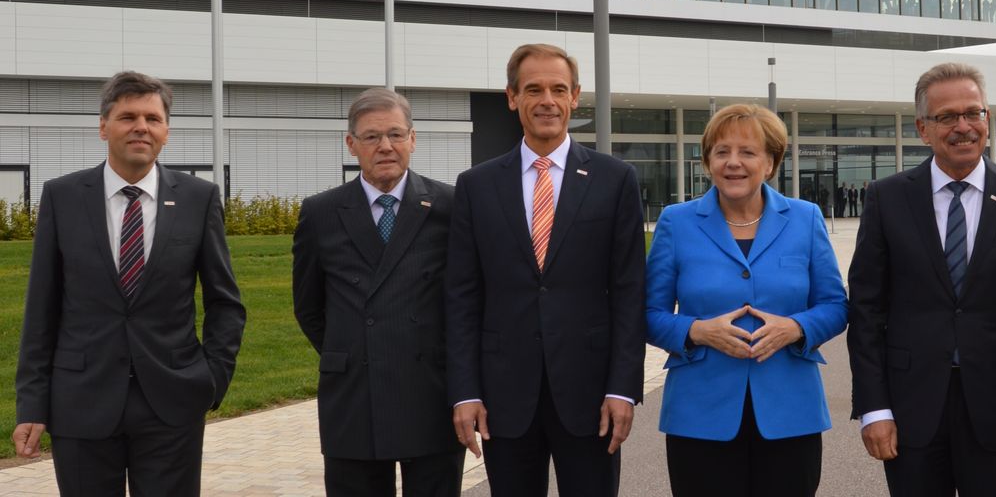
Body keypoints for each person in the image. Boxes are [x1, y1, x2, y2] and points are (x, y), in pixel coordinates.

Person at [13, 71, 246, 496]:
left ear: (166, 132)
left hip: (172, 403)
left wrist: (212, 381)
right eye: (128, 117)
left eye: (153, 118)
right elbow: (40, 310)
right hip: (82, 401)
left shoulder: (199, 198)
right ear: (103, 126)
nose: (141, 126)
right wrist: (32, 402)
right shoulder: (62, 197)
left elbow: (225, 302)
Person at [847, 62, 996, 497]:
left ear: (988, 119)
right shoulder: (886, 198)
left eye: (974, 113)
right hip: (911, 408)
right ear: (922, 129)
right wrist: (874, 408)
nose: (963, 126)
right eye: (947, 116)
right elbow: (867, 311)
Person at [446, 43, 646, 496]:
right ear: (512, 97)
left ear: (575, 96)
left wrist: (623, 388)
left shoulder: (615, 180)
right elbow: (461, 296)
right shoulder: (476, 186)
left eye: (559, 89)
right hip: (503, 398)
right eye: (533, 89)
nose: (547, 101)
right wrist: (465, 392)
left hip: (591, 395)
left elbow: (630, 292)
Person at [646, 104, 847, 496]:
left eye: (748, 152)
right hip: (700, 414)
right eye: (722, 152)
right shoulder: (676, 221)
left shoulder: (806, 219)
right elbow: (646, 314)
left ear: (770, 163)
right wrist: (695, 330)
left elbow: (836, 306)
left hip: (790, 412)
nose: (733, 163)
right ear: (707, 162)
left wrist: (796, 327)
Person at [292, 88, 462, 496]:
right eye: (371, 137)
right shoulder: (321, 213)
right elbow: (308, 306)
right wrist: (351, 351)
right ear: (351, 145)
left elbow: (465, 301)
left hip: (431, 393)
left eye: (395, 134)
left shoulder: (450, 206)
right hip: (353, 395)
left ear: (413, 139)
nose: (385, 146)